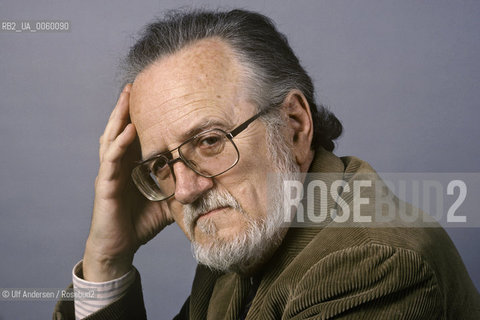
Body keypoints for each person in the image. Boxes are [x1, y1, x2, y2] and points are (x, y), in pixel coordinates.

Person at [53, 9, 480, 320]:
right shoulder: (248, 237)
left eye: (208, 141)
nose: (184, 190)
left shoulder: (370, 265)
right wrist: (106, 261)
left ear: (294, 125)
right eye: (162, 164)